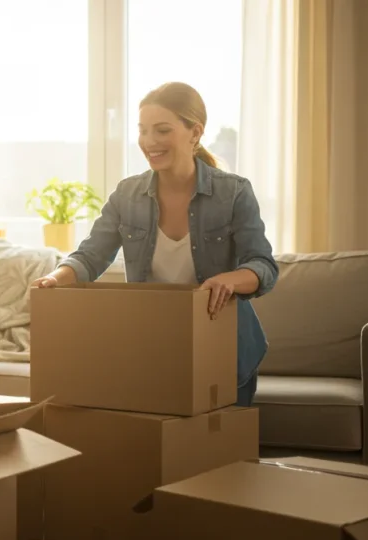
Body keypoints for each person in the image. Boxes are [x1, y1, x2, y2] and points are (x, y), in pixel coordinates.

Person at [30, 81, 278, 407]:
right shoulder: (127, 195)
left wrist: (228, 280)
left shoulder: (233, 193)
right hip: (152, 348)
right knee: (156, 451)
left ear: (195, 132)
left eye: (162, 130)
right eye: (143, 130)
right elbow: (91, 256)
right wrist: (55, 278)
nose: (149, 142)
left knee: (218, 452)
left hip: (222, 347)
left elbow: (263, 266)